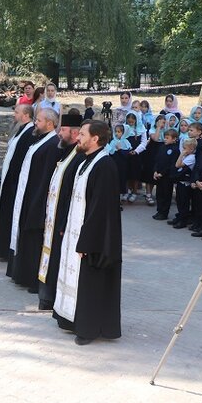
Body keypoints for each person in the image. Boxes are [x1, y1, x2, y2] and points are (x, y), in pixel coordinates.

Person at [53, 119, 121, 345]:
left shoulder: (105, 166)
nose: (77, 137)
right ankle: (72, 320)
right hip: (77, 231)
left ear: (95, 139)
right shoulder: (85, 161)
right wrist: (65, 225)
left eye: (82, 134)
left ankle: (89, 329)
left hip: (95, 240)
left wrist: (86, 242)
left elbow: (100, 210)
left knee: (91, 283)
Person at [8, 108, 63, 291]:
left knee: (34, 241)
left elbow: (46, 177)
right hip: (27, 196)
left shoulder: (53, 144)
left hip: (36, 201)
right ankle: (21, 275)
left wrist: (36, 203)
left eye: (38, 120)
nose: (35, 123)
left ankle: (31, 279)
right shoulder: (41, 140)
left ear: (49, 123)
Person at [38, 116, 86, 311]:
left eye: (63, 129)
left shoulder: (79, 158)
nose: (59, 133)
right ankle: (47, 297)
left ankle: (50, 298)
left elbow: (71, 195)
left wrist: (62, 223)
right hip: (54, 219)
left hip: (62, 223)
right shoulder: (67, 153)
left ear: (74, 133)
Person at [0, 104, 36, 260]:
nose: (14, 114)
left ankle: (8, 250)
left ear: (25, 115)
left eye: (17, 112)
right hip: (9, 179)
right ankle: (3, 249)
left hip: (16, 181)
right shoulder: (21, 129)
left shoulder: (30, 132)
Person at [169, 138, 198, 229]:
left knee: (184, 203)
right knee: (179, 201)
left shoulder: (191, 158)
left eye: (186, 148)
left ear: (192, 149)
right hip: (180, 182)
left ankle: (183, 220)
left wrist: (181, 154)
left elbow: (177, 165)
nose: (184, 150)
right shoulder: (187, 156)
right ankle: (180, 217)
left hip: (186, 183)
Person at [152, 130, 180, 221]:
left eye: (168, 138)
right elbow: (157, 160)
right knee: (159, 194)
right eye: (165, 137)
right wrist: (155, 171)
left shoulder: (175, 149)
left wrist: (162, 173)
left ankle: (164, 212)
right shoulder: (162, 147)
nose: (165, 139)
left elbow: (172, 164)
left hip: (167, 176)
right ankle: (159, 211)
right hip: (158, 175)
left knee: (166, 194)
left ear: (174, 139)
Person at [106, 124, 132, 200]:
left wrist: (120, 149)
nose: (117, 133)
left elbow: (126, 155)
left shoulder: (126, 142)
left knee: (123, 179)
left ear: (124, 133)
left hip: (123, 165)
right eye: (116, 131)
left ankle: (123, 193)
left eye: (119, 132)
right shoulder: (113, 141)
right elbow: (111, 153)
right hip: (115, 164)